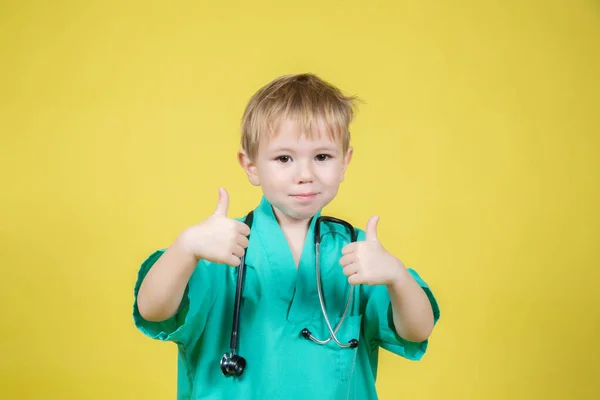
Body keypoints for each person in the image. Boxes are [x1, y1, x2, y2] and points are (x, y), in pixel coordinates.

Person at [133, 73, 440, 399]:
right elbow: (153, 309)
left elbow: (417, 331)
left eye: (322, 157)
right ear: (250, 165)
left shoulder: (358, 253)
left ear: (345, 162)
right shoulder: (221, 247)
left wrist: (396, 277)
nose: (305, 175)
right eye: (284, 158)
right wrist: (187, 247)